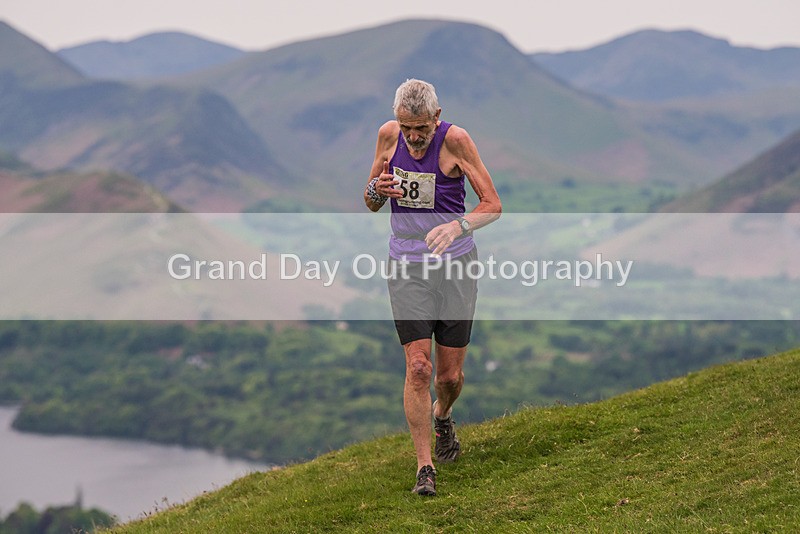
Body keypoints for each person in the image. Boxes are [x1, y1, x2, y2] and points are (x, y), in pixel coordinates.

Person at [364, 79, 502, 496]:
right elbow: (370, 200)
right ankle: (425, 469)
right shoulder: (388, 136)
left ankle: (444, 415)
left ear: (436, 118)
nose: (414, 137)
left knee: (449, 375)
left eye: (421, 127)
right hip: (407, 266)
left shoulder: (456, 141)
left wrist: (457, 225)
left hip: (456, 265)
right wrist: (377, 190)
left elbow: (492, 205)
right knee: (419, 367)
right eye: (407, 128)